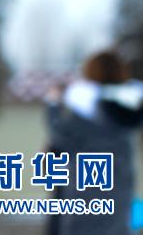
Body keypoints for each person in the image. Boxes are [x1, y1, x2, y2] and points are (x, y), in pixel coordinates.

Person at [45, 50, 143, 235]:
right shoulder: (128, 110)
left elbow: (59, 138)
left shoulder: (83, 112)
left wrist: (53, 105)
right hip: (119, 203)